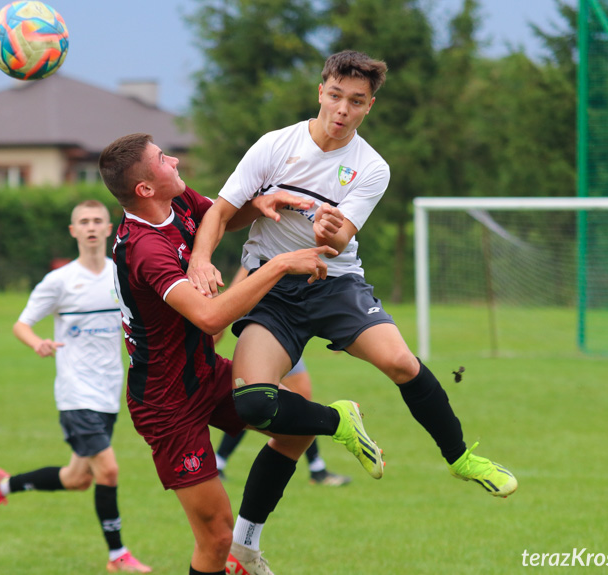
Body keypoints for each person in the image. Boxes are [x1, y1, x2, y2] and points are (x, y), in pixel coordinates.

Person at [187, 50, 518, 500]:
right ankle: (337, 423)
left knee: (402, 362)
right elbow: (219, 212)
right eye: (337, 96)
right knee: (253, 405)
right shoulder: (274, 145)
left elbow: (339, 242)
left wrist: (330, 230)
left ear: (369, 106)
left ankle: (461, 460)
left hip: (334, 283)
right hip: (271, 290)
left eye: (357, 101)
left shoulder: (372, 166)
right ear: (320, 91)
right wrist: (201, 259)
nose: (343, 110)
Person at [97, 133, 382, 575]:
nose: (173, 159)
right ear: (144, 190)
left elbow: (222, 218)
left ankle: (247, 549)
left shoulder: (179, 202)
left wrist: (266, 201)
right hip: (165, 400)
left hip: (203, 373)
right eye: (161, 159)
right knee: (213, 536)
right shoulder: (145, 249)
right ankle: (338, 422)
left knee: (294, 423)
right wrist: (280, 264)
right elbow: (210, 319)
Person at [0, 200, 152, 574]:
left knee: (76, 480)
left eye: (97, 221)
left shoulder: (122, 275)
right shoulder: (59, 281)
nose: (90, 227)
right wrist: (36, 342)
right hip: (75, 394)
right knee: (109, 472)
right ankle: (118, 556)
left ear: (109, 229)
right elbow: (22, 323)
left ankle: (2, 487)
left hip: (108, 392)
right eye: (83, 222)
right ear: (73, 231)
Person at [213, 267, 350, 487]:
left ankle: (316, 467)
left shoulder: (293, 245)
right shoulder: (261, 253)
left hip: (284, 326)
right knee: (267, 398)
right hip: (268, 329)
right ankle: (317, 468)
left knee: (271, 400)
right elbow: (245, 277)